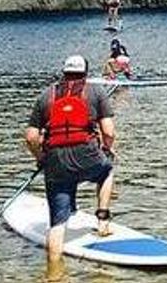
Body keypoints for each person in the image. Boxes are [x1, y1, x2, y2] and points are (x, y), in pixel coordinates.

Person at [24, 55, 116, 264]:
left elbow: (30, 137)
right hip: (88, 155)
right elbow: (109, 132)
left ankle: (54, 273)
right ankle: (102, 220)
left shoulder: (46, 95)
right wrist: (107, 149)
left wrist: (41, 158)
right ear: (85, 73)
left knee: (57, 223)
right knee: (107, 171)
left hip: (56, 162)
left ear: (63, 72)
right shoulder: (96, 91)